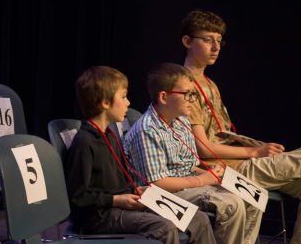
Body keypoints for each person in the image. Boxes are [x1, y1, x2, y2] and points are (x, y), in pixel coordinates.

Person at [180, 10, 301, 244]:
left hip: (242, 162)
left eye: (220, 41)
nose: (216, 47)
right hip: (227, 170)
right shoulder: (184, 86)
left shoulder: (209, 82)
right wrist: (253, 152)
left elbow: (221, 134)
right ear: (187, 41)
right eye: (208, 39)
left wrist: (253, 146)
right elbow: (203, 148)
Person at [66, 65, 216, 244]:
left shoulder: (110, 135)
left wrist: (137, 191)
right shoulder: (84, 142)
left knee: (197, 218)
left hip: (122, 205)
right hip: (100, 216)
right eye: (123, 97)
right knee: (163, 228)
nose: (128, 103)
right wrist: (115, 200)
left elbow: (122, 179)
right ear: (105, 103)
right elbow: (77, 198)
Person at [124, 62, 262, 244]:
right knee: (231, 204)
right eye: (187, 94)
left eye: (194, 94)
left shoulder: (181, 121)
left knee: (251, 196)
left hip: (186, 185)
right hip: (159, 195)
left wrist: (208, 172)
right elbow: (156, 183)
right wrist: (201, 180)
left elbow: (188, 166)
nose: (193, 100)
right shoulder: (147, 130)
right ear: (164, 97)